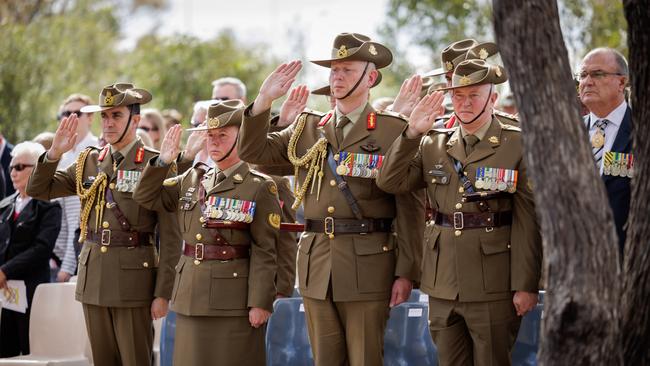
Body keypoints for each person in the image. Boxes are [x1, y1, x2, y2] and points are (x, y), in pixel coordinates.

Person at [238, 33, 424, 366]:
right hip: (317, 263)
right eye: (333, 70)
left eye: (347, 70)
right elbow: (254, 154)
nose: (337, 77)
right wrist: (264, 100)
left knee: (365, 358)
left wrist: (407, 271)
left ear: (370, 78)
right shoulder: (308, 127)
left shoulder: (392, 130)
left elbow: (410, 206)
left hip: (369, 265)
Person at [376, 59, 542, 365]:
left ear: (492, 98)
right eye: (458, 96)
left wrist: (525, 284)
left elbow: (528, 221)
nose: (464, 103)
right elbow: (389, 181)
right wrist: (411, 132)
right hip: (443, 282)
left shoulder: (517, 142)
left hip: (492, 282)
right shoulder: (432, 143)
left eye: (474, 96)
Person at [26, 83, 191, 366]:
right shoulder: (89, 161)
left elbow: (171, 237)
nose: (108, 123)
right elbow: (40, 190)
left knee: (134, 360)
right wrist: (53, 154)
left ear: (135, 120)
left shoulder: (155, 164)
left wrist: (163, 293)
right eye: (104, 116)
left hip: (134, 282)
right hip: (94, 278)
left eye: (116, 115)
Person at [133, 100, 279, 365]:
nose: (214, 142)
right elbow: (144, 196)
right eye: (210, 135)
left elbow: (265, 250)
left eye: (223, 135)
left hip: (233, 300)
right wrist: (165, 160)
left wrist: (260, 302)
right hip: (190, 295)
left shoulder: (258, 186)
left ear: (243, 136)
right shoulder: (193, 179)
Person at [0, 142, 62, 357]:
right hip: (5, 291)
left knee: (31, 348)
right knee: (5, 350)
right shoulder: (6, 205)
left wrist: (6, 270)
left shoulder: (49, 205)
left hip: (32, 289)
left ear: (36, 169)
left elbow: (41, 248)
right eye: (11, 168)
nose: (13, 173)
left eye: (19, 167)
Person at [578, 47, 632, 254]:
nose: (587, 81)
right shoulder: (568, 135)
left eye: (597, 74)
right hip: (574, 262)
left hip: (627, 259)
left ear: (621, 82)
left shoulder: (642, 132)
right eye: (583, 75)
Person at [49, 94, 100, 283]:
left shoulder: (97, 150)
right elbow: (62, 216)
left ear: (90, 118)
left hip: (85, 252)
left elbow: (80, 217)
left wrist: (68, 266)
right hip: (62, 256)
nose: (71, 117)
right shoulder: (62, 157)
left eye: (77, 113)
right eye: (66, 113)